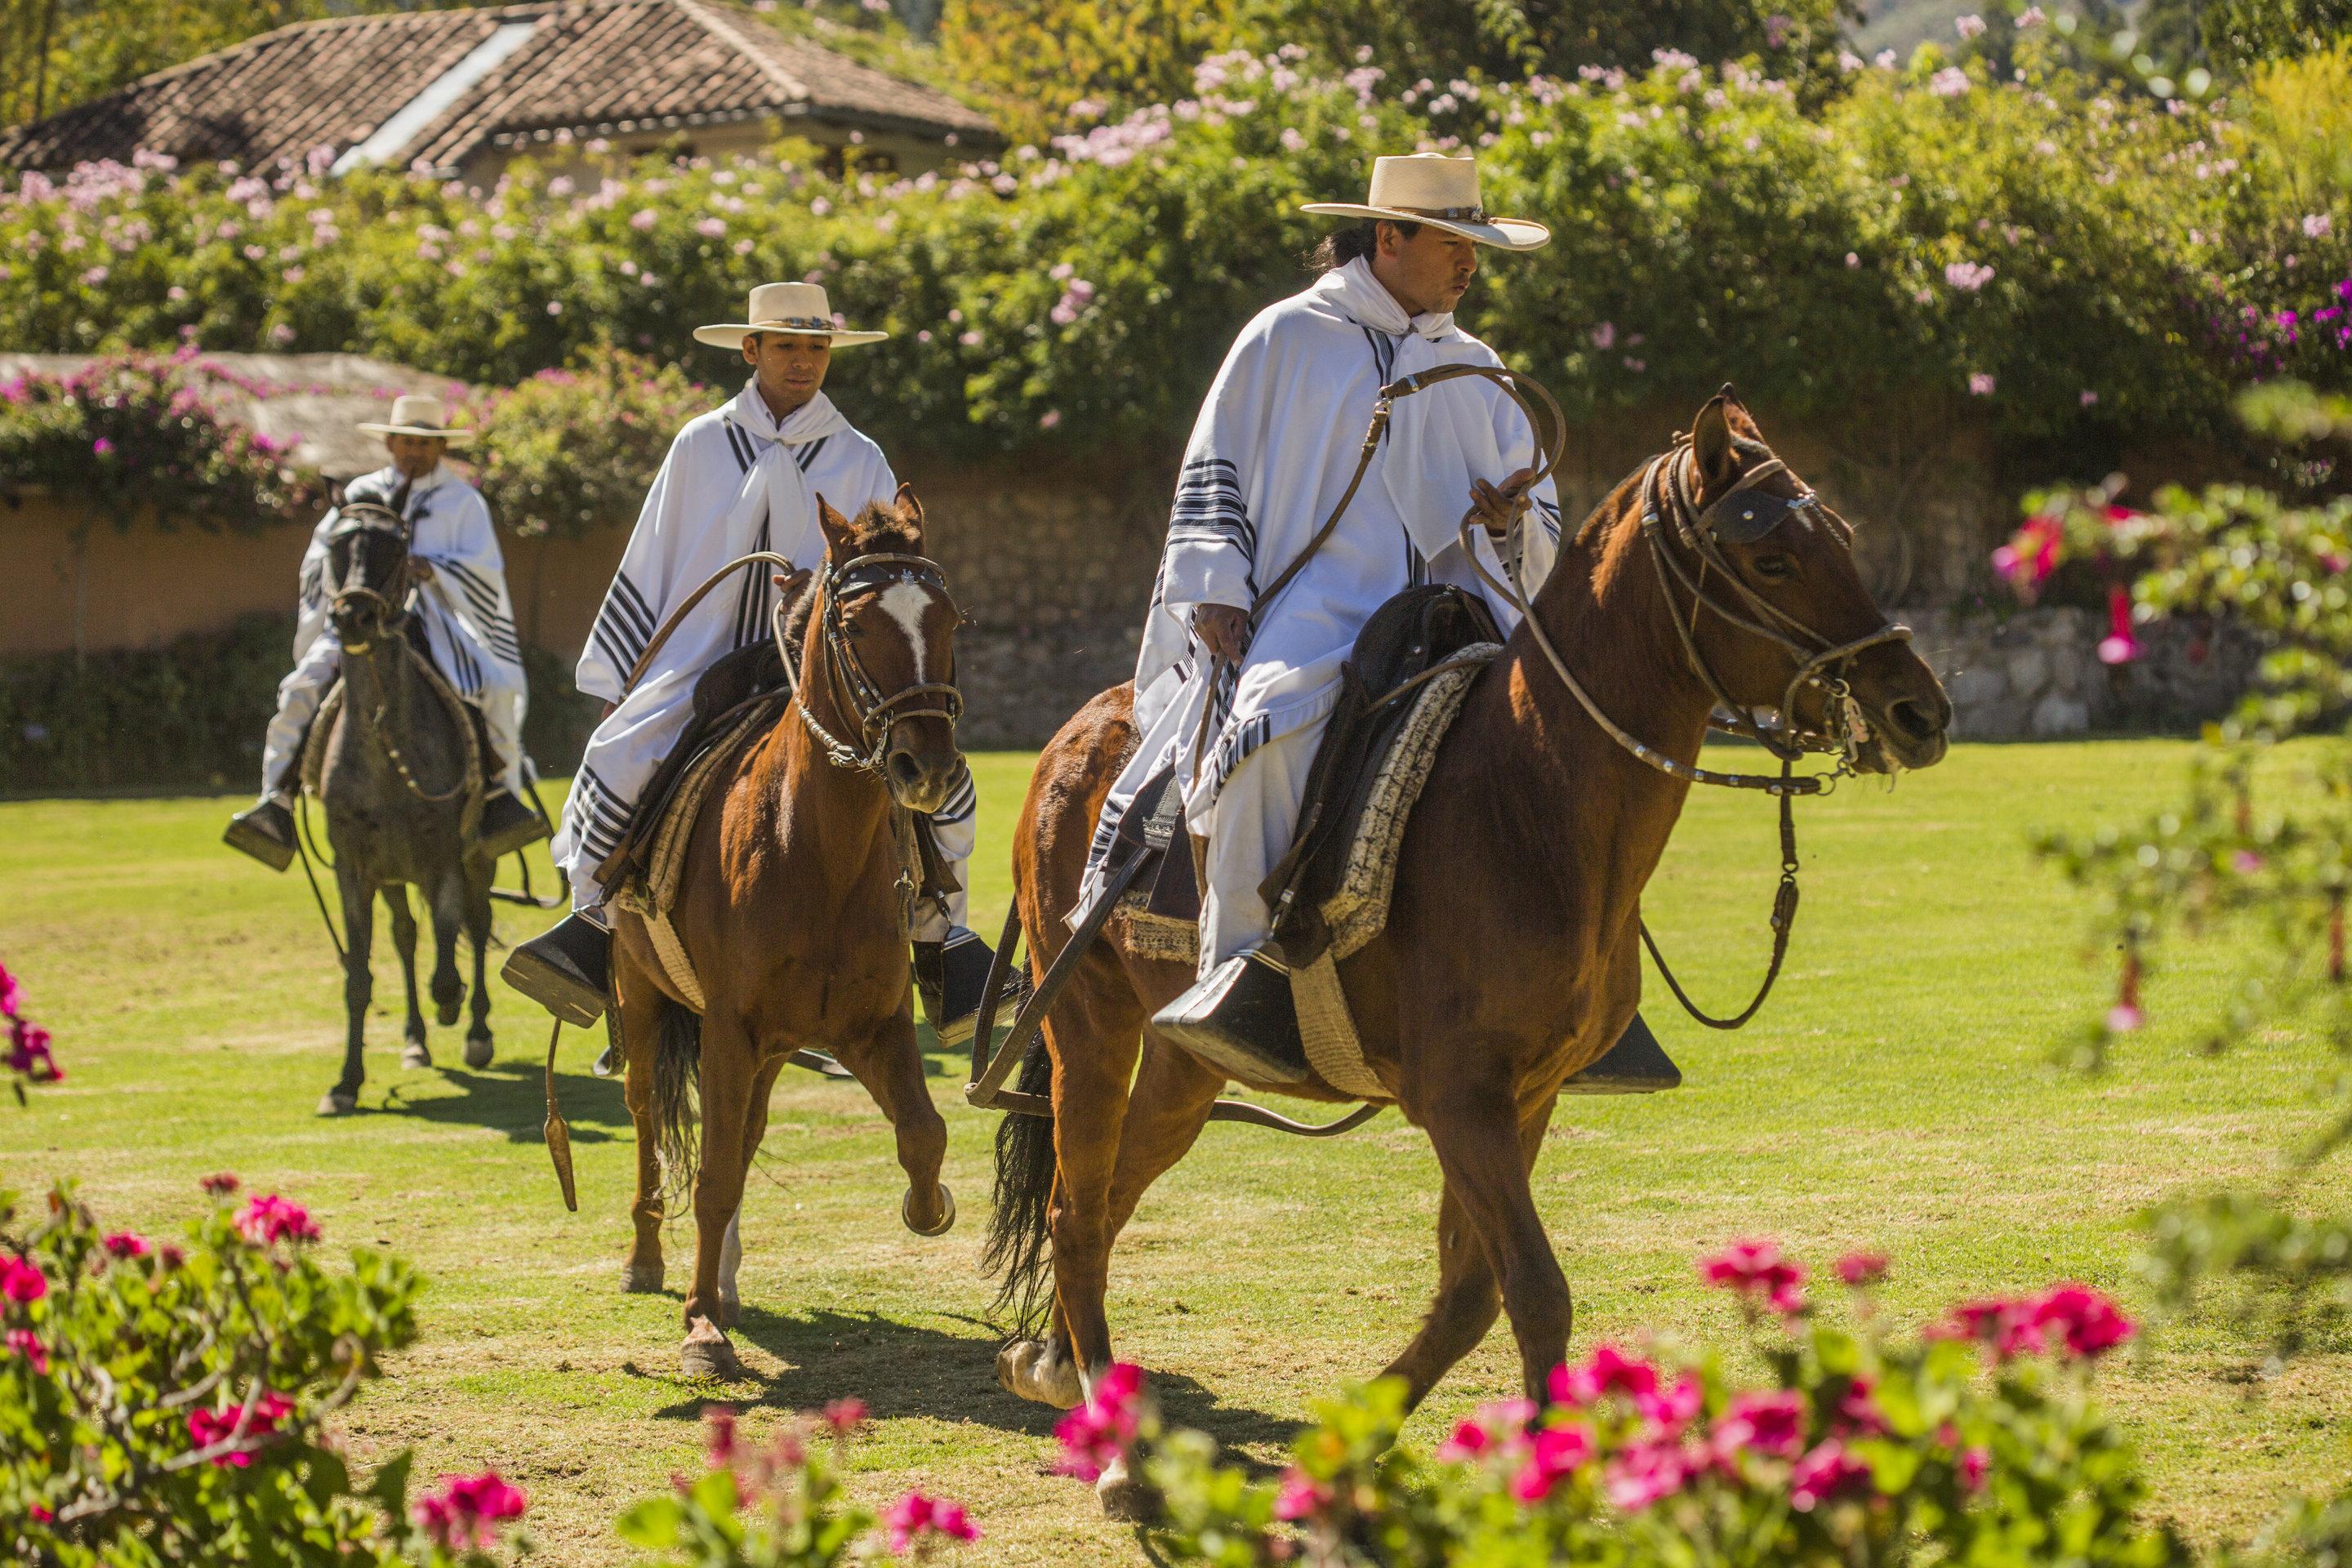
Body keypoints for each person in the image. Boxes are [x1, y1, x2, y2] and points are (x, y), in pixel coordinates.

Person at [1086, 152, 1567, 1081]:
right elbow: (1214, 464)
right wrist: (1219, 590)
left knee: (1568, 748)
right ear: (1388, 238)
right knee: (1266, 738)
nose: (1472, 266)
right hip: (1318, 607)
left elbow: (1534, 512)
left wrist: (1512, 524)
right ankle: (1237, 975)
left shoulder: (1474, 365)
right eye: (1454, 244)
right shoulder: (1286, 337)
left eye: (1480, 247)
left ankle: (1582, 991)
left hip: (1456, 611)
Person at [502, 283, 993, 1040]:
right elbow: (654, 556)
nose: (804, 362)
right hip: (701, 661)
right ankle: (591, 933)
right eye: (787, 347)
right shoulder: (700, 443)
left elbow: (887, 565)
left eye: (817, 347)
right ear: (751, 350)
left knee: (947, 790)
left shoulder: (859, 455)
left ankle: (942, 944)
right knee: (617, 756)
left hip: (821, 671)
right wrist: (622, 680)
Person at [224, 394, 545, 871]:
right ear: (390, 442)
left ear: (440, 448)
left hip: (436, 620)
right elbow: (319, 559)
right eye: (406, 441)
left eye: (425, 443)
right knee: (300, 688)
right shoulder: (358, 494)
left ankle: (499, 795)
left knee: (493, 687)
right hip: (365, 619)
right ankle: (276, 802)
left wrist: (433, 570)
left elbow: (485, 572)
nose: (414, 451)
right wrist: (351, 588)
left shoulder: (463, 502)